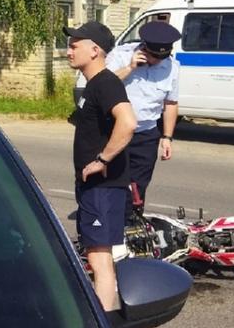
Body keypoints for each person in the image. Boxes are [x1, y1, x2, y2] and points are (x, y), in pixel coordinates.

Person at [65, 21, 137, 313]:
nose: (68, 51)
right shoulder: (94, 84)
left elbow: (128, 121)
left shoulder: (106, 82)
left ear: (95, 50)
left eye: (74, 45)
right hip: (95, 187)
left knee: (99, 259)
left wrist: (102, 159)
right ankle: (103, 322)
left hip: (103, 187)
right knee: (98, 256)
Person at [106, 20, 182, 217]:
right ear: (144, 47)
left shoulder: (172, 66)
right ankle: (109, 226)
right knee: (113, 182)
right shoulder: (121, 56)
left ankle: (132, 225)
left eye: (161, 56)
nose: (157, 61)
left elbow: (171, 103)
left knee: (138, 187)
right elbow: (102, 85)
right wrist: (130, 68)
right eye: (154, 56)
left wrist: (167, 137)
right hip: (114, 131)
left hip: (146, 134)